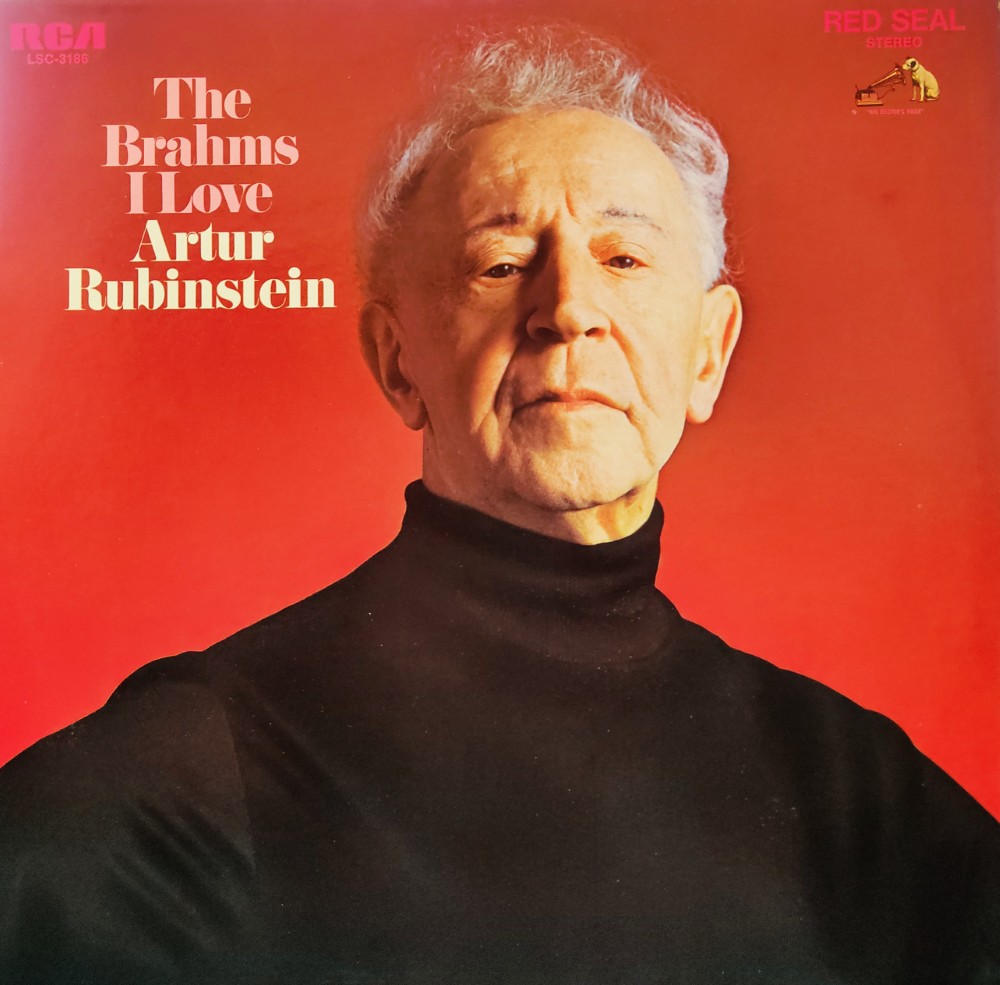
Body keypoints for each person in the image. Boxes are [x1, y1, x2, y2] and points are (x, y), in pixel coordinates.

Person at [1, 26, 997, 985]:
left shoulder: (858, 792)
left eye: (624, 258)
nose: (567, 309)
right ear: (398, 361)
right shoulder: (201, 766)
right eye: (502, 264)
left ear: (708, 353)